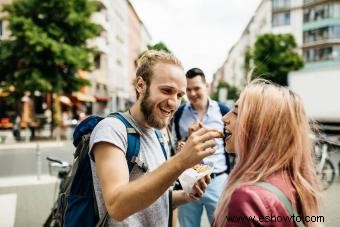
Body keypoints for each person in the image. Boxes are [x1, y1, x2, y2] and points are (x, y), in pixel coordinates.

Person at [89, 50, 223, 226]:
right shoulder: (112, 130)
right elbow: (117, 206)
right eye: (167, 91)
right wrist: (180, 161)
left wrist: (186, 195)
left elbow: (156, 202)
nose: (173, 103)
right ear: (140, 85)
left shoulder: (159, 134)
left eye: (179, 95)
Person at [213, 79, 321, 227]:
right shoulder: (296, 181)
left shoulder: (247, 197)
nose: (225, 118)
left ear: (260, 128)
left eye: (237, 113)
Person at [173, 68, 230, 226]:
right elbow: (177, 146)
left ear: (206, 86)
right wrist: (188, 138)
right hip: (190, 180)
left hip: (217, 180)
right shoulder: (179, 114)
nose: (192, 94)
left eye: (196, 88)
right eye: (188, 89)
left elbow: (232, 145)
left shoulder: (223, 111)